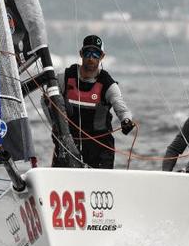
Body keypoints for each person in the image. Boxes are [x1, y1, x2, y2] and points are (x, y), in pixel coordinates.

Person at [51, 34, 135, 168]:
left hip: (100, 148)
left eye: (96, 54)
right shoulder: (65, 77)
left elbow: (122, 109)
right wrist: (57, 126)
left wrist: (126, 121)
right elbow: (47, 100)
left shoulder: (108, 84)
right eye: (87, 53)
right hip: (68, 143)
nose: (91, 58)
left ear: (102, 57)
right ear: (81, 54)